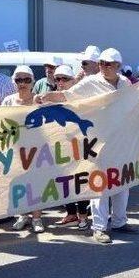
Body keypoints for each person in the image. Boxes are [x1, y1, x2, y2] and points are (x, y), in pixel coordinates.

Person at [35, 48, 137, 243]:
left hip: (120, 141)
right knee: (99, 184)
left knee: (122, 182)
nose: (103, 66)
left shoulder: (125, 83)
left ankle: (119, 221)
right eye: (101, 63)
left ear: (118, 66)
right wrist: (47, 97)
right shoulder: (91, 82)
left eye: (108, 64)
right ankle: (99, 227)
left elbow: (134, 105)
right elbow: (68, 95)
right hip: (97, 141)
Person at [3, 66, 46, 234]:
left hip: (37, 149)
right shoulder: (8, 101)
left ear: (33, 81)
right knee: (18, 184)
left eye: (26, 79)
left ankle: (36, 218)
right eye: (19, 80)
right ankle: (22, 215)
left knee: (35, 184)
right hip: (15, 149)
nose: (23, 83)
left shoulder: (39, 100)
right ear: (14, 82)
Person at [50, 65, 90, 229]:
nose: (60, 82)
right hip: (60, 148)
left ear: (73, 81)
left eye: (65, 78)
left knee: (79, 181)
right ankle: (71, 214)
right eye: (57, 78)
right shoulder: (51, 98)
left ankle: (83, 216)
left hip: (79, 147)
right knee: (64, 181)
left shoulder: (81, 98)